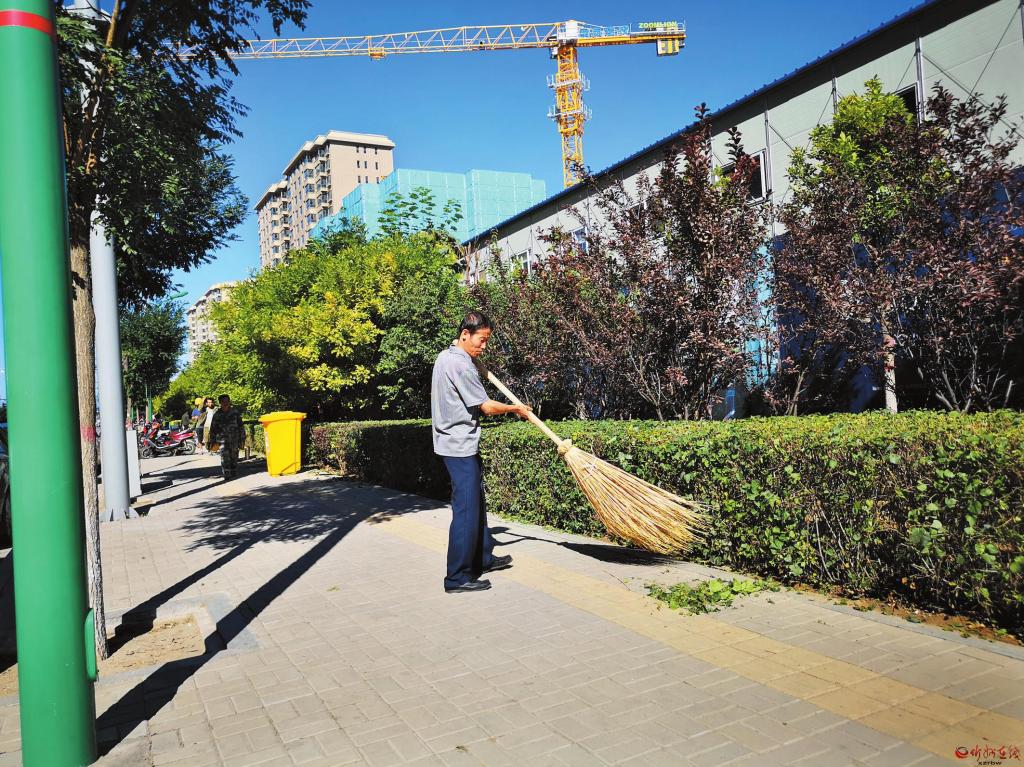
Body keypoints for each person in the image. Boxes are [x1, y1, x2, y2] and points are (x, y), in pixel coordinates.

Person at [430, 311, 532, 593]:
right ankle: (457, 577)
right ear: (465, 334)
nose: (484, 346)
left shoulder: (447, 356)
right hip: (458, 445)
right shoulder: (461, 365)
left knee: (476, 501)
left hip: (456, 443)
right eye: (481, 340)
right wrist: (516, 408)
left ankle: (483, 557)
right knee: (466, 509)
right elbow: (486, 407)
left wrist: (472, 357)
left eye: (487, 340)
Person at [209, 394, 244, 479]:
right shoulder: (217, 415)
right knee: (224, 457)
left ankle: (234, 472)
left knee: (234, 457)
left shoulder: (235, 413)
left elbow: (241, 426)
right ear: (220, 403)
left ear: (229, 402)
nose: (225, 403)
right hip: (222, 440)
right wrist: (213, 442)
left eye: (227, 401)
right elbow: (213, 429)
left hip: (234, 439)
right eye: (223, 402)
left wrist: (242, 438)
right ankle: (227, 474)